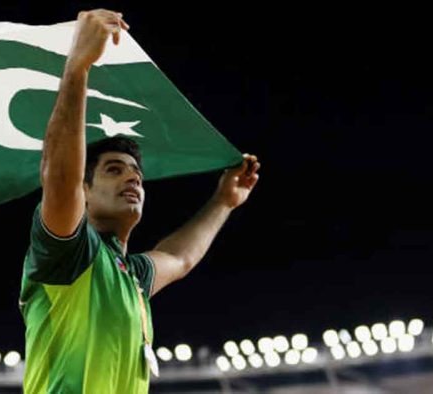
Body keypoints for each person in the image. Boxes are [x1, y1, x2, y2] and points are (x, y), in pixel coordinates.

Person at [18, 9, 260, 393]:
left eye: (136, 174)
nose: (132, 177)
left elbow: (180, 258)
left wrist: (224, 201)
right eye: (114, 169)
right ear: (84, 190)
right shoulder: (68, 255)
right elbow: (59, 177)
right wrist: (78, 69)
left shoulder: (131, 277)